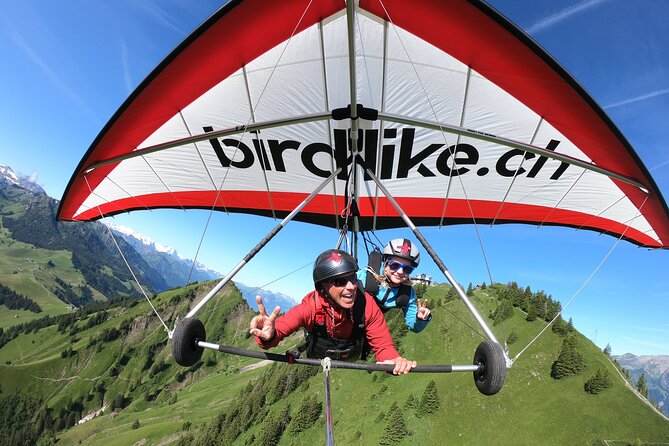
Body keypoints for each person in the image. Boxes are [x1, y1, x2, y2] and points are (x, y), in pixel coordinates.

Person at [249, 249, 416, 375]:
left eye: (352, 278)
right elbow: (280, 329)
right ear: (323, 287)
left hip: (352, 352)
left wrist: (392, 359)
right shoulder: (311, 307)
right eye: (340, 281)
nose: (351, 286)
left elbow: (383, 345)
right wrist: (269, 335)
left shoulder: (367, 304)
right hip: (319, 353)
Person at [358, 238, 432, 333]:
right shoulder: (365, 276)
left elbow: (414, 326)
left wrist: (421, 319)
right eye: (394, 265)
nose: (400, 272)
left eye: (407, 269)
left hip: (368, 331)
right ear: (385, 264)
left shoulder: (407, 293)